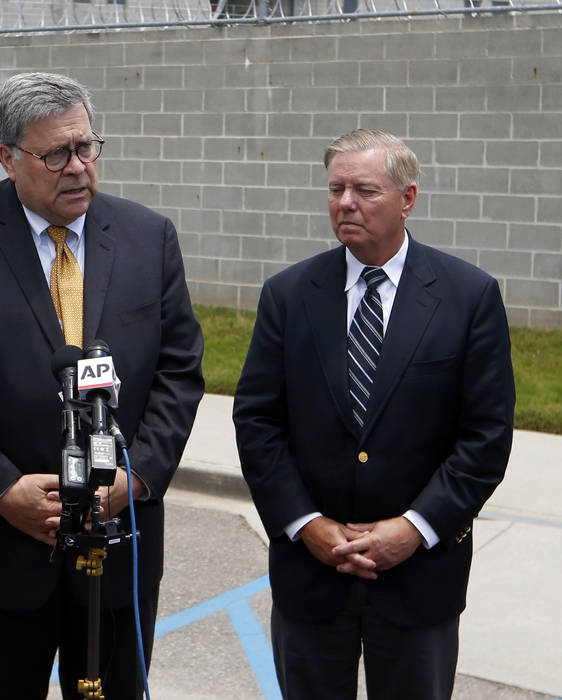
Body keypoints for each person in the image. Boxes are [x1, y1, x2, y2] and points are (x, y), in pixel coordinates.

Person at [0, 72, 204, 699]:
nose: (78, 168)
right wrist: (2, 488)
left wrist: (136, 477)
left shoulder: (149, 236)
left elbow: (180, 370)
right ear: (7, 157)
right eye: (54, 154)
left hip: (118, 548)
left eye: (87, 147)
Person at [232, 129, 515, 700]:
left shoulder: (468, 296)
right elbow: (258, 421)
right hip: (312, 576)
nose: (345, 203)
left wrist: (414, 529)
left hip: (419, 579)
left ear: (407, 199)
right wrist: (305, 525)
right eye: (336, 188)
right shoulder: (288, 294)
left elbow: (485, 437)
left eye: (365, 190)